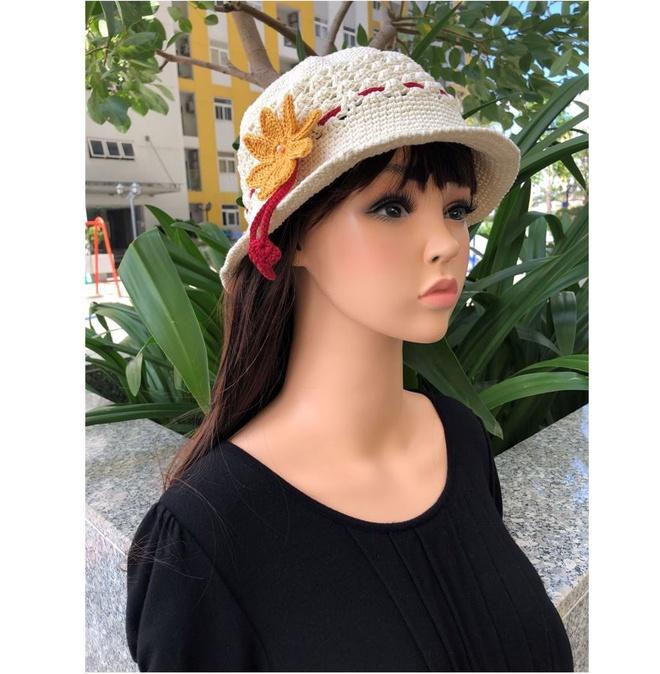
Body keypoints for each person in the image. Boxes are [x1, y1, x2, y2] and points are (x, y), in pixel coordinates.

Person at [125, 46, 574, 672]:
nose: (447, 243)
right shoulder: (206, 536)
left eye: (456, 209)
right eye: (392, 207)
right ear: (294, 236)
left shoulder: (460, 440)